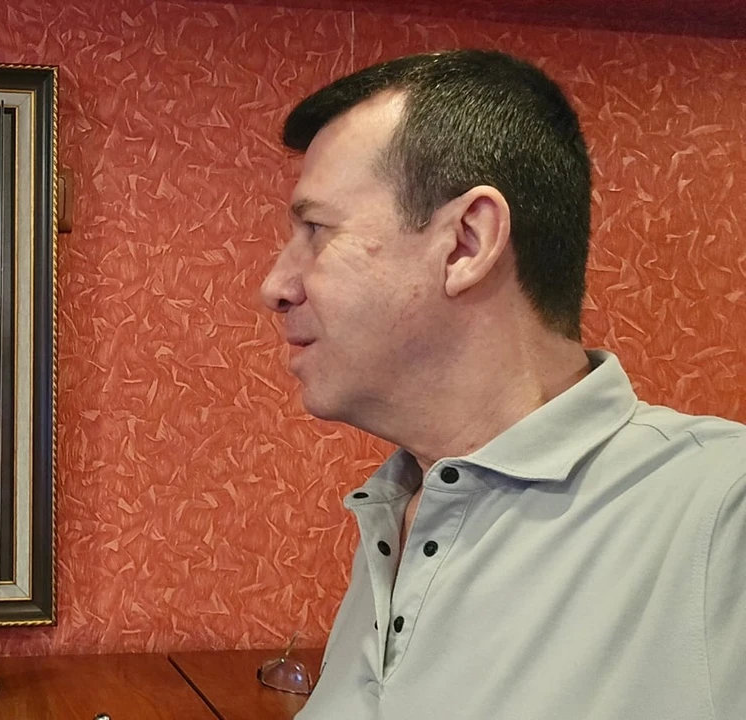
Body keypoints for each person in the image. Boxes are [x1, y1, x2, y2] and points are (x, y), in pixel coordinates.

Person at [259, 49, 745, 719]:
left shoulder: (722, 516)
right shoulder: (398, 509)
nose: (275, 286)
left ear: (467, 242)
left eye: (317, 230)